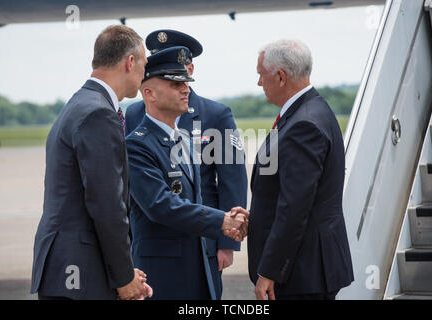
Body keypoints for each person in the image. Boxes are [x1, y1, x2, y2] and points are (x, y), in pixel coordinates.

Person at [30, 25, 152, 300]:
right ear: (130, 62)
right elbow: (107, 204)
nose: (146, 72)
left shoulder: (79, 104)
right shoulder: (98, 113)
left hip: (67, 267)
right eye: (145, 62)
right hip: (81, 272)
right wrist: (125, 277)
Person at [125, 29, 247, 299]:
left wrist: (226, 242)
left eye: (182, 75)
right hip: (158, 245)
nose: (183, 88)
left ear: (190, 68)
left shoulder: (215, 114)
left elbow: (231, 179)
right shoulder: (134, 116)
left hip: (206, 241)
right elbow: (140, 193)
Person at [247, 39, 354, 300]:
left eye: (261, 75)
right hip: (307, 268)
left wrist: (271, 270)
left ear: (281, 77)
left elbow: (294, 207)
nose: (259, 83)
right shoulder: (312, 110)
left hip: (301, 273)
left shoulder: (302, 125)